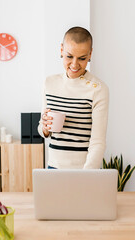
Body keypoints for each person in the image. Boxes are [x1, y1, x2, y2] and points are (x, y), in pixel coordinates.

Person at [38, 26, 109, 169]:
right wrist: (45, 129)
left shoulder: (98, 89)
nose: (75, 64)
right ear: (61, 50)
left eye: (82, 58)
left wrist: (86, 175)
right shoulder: (50, 83)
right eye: (69, 56)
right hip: (54, 168)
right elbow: (43, 129)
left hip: (85, 170)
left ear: (90, 54)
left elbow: (98, 142)